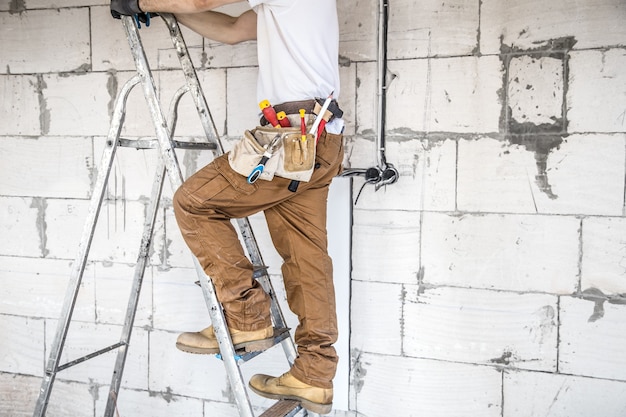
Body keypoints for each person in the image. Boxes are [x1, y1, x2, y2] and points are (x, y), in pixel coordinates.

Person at [111, 1, 344, 414]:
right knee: (306, 258)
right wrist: (170, 13)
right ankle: (315, 373)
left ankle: (246, 318)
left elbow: (199, 0)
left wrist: (140, 2)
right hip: (319, 139)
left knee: (194, 203)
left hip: (291, 136)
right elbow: (235, 27)